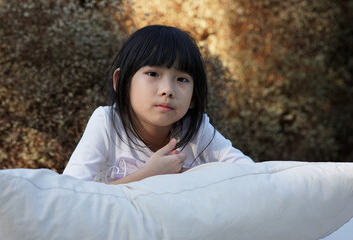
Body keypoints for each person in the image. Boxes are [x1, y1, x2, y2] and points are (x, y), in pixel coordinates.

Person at [63, 25, 253, 184]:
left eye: (182, 79)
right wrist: (149, 175)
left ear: (194, 97)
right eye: (153, 74)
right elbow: (73, 193)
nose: (167, 90)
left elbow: (249, 174)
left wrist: (197, 177)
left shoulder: (197, 130)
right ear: (121, 82)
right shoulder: (107, 123)